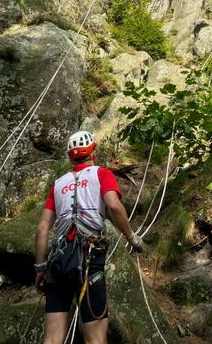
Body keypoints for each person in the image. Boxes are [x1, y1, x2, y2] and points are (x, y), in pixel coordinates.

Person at [34, 131, 144, 344]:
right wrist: (132, 237)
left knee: (53, 338)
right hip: (88, 259)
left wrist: (40, 268)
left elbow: (42, 228)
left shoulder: (58, 184)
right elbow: (113, 205)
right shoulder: (102, 174)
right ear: (93, 151)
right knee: (95, 338)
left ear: (70, 157)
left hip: (58, 261)